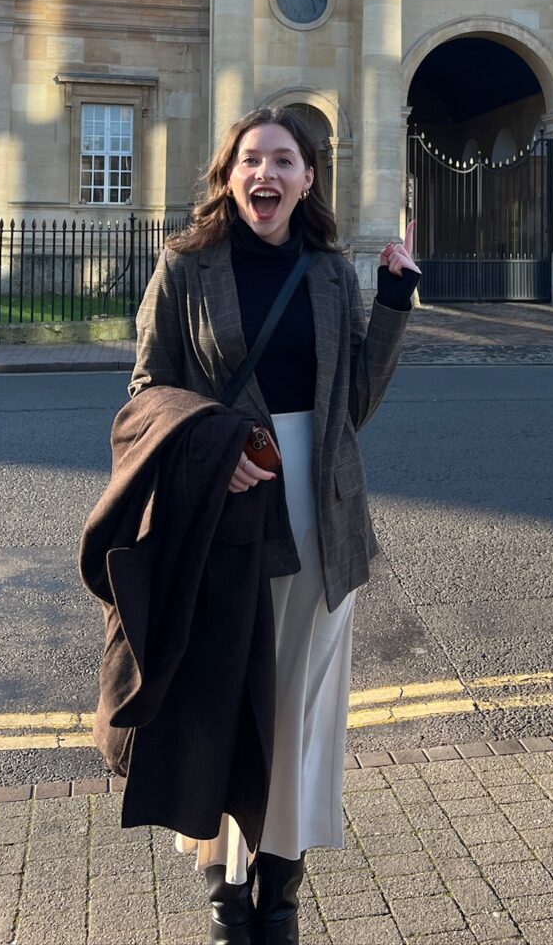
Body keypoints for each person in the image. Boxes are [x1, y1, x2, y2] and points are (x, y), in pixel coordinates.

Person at [126, 105, 419, 944]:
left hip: (323, 521)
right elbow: (146, 391)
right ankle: (226, 894)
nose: (267, 175)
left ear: (308, 178)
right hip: (226, 516)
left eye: (284, 160)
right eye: (251, 160)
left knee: (300, 713)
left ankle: (282, 892)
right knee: (227, 700)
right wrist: (216, 450)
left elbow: (351, 405)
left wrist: (396, 300)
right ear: (228, 176)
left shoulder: (328, 273)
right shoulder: (187, 267)